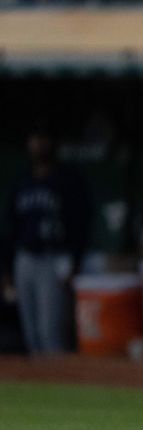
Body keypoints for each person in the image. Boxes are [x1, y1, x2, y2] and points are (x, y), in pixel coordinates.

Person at [2, 123, 92, 356]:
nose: (39, 144)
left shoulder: (67, 180)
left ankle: (61, 384)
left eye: (44, 138)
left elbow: (80, 224)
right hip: (25, 258)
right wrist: (7, 270)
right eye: (35, 138)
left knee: (50, 331)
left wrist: (74, 261)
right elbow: (12, 227)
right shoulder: (22, 182)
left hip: (54, 258)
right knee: (31, 333)